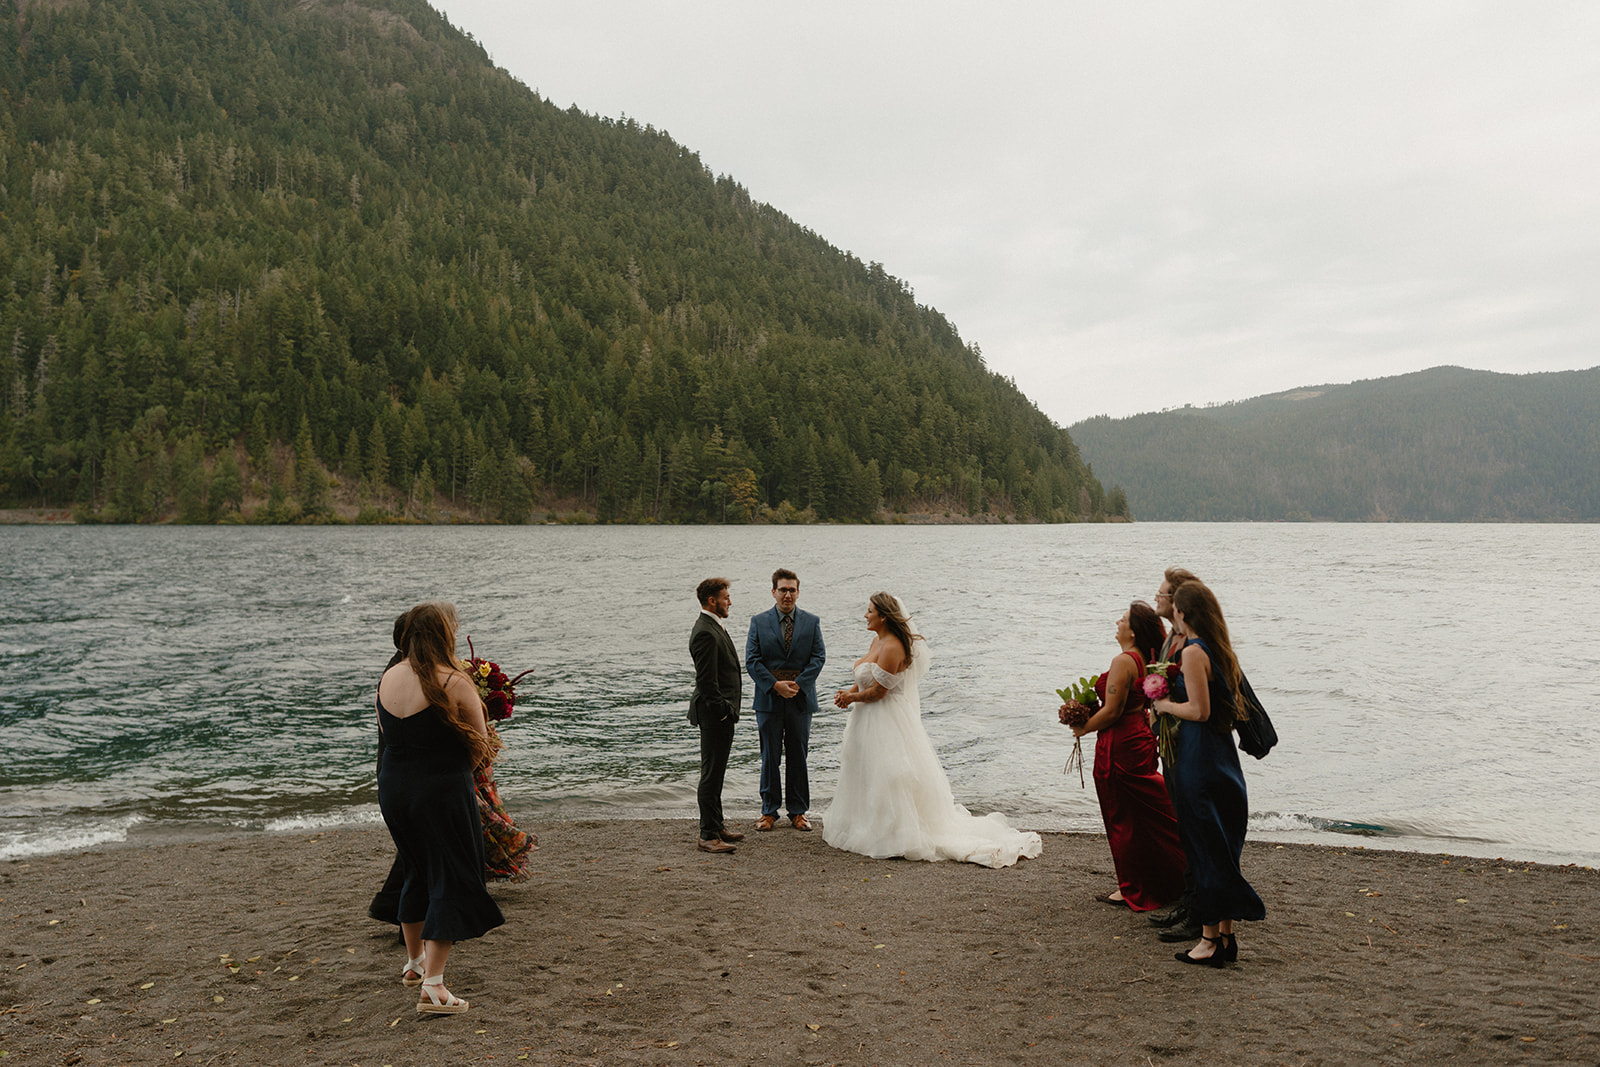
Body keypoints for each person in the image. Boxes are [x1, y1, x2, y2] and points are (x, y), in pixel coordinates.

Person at [823, 592, 1042, 868]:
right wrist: (849, 692)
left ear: (883, 616)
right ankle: (866, 824)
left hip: (885, 719)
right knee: (866, 770)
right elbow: (867, 677)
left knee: (889, 773)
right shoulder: (877, 640)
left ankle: (895, 831)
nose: (865, 615)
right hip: (866, 720)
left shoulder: (892, 647)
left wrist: (851, 698)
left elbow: (879, 691)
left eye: (869, 611)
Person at [376, 602, 505, 1014]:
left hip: (393, 787)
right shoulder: (454, 680)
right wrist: (456, 775)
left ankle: (414, 964)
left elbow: (386, 735)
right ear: (445, 635)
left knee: (415, 869)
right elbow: (481, 747)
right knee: (451, 875)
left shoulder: (389, 676)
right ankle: (434, 986)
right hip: (441, 789)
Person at [1149, 580, 1266, 966]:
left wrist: (1164, 705)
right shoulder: (1219, 648)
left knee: (1204, 845)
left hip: (1199, 756)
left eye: (1176, 610)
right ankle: (1224, 939)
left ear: (1183, 613)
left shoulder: (1195, 652)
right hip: (1221, 756)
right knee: (1220, 845)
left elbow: (1198, 711)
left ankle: (1208, 940)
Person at [1063, 600, 1186, 911]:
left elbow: (1113, 711)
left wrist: (1083, 727)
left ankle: (1132, 887)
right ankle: (1168, 877)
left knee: (1122, 816)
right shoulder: (1148, 658)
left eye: (1123, 618)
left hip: (1120, 743)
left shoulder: (1124, 661)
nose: (1117, 621)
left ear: (1132, 630)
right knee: (1145, 814)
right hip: (1140, 735)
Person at [1147, 567, 1205, 944]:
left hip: (1188, 744)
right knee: (1184, 826)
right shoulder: (1172, 638)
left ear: (1178, 602)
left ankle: (1200, 912)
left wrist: (1164, 706)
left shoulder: (1193, 646)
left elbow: (1195, 703)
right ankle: (1189, 901)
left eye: (1162, 595)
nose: (1157, 599)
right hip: (1171, 743)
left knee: (1196, 828)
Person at [745, 568, 827, 832]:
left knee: (798, 755)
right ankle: (768, 812)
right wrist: (775, 685)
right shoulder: (758, 622)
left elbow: (818, 658)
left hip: (800, 700)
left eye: (792, 590)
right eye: (783, 589)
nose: (788, 594)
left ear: (798, 592)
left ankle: (798, 812)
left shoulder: (812, 622)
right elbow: (752, 660)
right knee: (770, 756)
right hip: (769, 699)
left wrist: (799, 685)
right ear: (773, 592)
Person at [688, 577, 744, 854]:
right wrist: (724, 711)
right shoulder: (705, 632)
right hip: (715, 715)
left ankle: (717, 823)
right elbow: (707, 683)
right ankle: (707, 834)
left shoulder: (713, 626)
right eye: (726, 597)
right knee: (711, 773)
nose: (730, 601)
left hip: (721, 714)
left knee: (717, 771)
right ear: (712, 601)